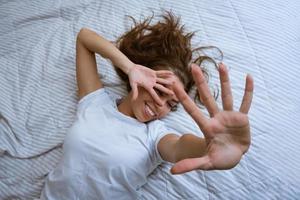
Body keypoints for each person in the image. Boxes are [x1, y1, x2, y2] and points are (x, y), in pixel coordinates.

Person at [40, 12, 253, 199]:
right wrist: (131, 67)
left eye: (171, 103)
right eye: (158, 90)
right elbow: (84, 38)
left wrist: (209, 145)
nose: (161, 104)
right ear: (142, 78)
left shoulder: (155, 135)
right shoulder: (94, 103)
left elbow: (179, 147)